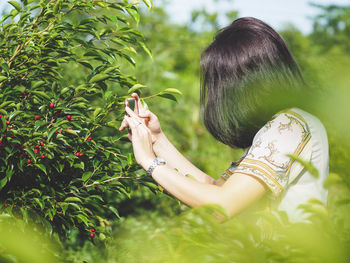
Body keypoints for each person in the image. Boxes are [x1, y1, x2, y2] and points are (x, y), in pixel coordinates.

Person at [118, 17, 329, 222]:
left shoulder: (289, 126)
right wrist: (157, 140)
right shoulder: (283, 125)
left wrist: (148, 161)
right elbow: (215, 189)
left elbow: (220, 208)